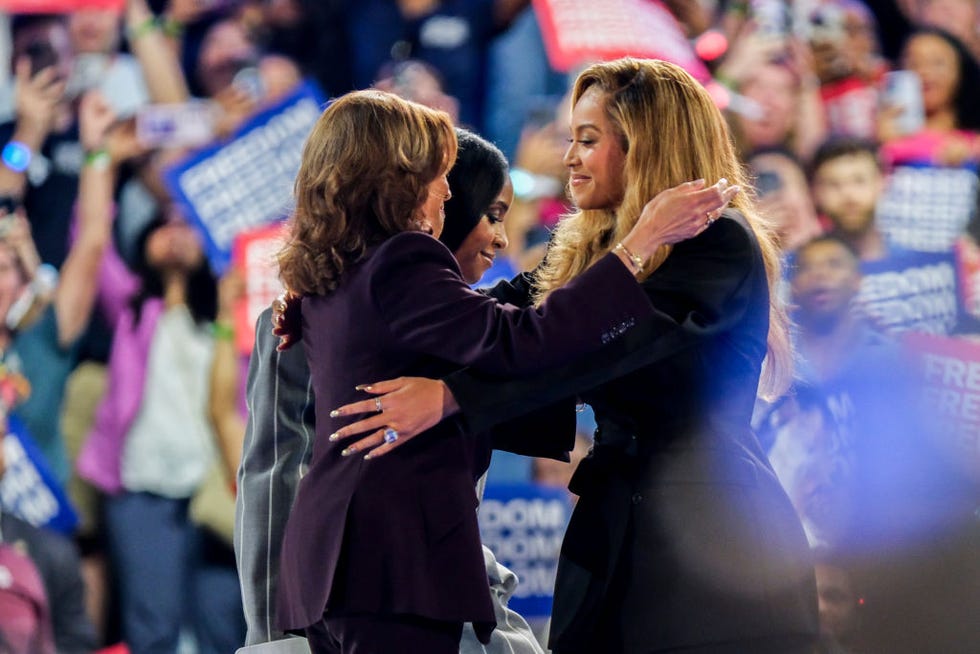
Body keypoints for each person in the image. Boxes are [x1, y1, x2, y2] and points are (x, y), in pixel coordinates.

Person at [326, 59, 819, 653]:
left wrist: (452, 398)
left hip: (717, 536)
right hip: (612, 532)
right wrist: (321, 297)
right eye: (570, 139)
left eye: (588, 140)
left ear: (645, 146)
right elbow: (496, 322)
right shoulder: (597, 249)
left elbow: (602, 355)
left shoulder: (717, 238)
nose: (569, 158)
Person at [233, 128, 541, 654]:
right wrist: (271, 637)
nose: (501, 238)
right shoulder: (302, 316)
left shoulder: (468, 322)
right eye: (490, 213)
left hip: (436, 598)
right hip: (336, 611)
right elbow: (272, 473)